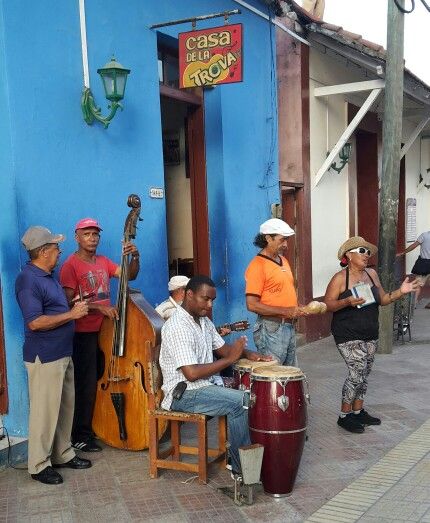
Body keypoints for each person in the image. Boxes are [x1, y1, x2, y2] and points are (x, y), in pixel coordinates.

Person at [159, 275, 272, 476]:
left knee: (250, 390)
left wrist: (249, 354)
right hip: (183, 394)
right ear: (189, 294)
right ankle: (241, 471)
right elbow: (191, 373)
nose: (210, 305)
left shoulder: (203, 321)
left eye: (212, 300)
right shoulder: (178, 326)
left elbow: (223, 349)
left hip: (204, 386)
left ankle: (240, 455)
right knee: (241, 402)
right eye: (205, 299)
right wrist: (230, 360)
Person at [15, 226, 91, 485]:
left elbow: (53, 309)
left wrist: (71, 306)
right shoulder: (28, 279)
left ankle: (62, 453)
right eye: (56, 247)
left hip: (62, 353)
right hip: (45, 356)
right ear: (43, 251)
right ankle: (38, 465)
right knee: (45, 412)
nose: (60, 251)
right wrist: (72, 315)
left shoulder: (48, 276)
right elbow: (34, 322)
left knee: (64, 408)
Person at [59, 218, 140, 452]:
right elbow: (67, 301)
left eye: (95, 234)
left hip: (105, 333)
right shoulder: (70, 265)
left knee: (97, 383)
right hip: (83, 334)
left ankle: (94, 427)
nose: (92, 238)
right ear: (77, 237)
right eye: (87, 234)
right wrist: (99, 307)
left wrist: (135, 256)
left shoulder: (103, 261)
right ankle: (80, 436)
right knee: (84, 385)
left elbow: (128, 277)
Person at [324, 236, 419, 434]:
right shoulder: (341, 278)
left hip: (369, 332)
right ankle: (344, 416)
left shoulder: (372, 273)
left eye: (368, 252)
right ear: (348, 255)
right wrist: (347, 301)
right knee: (356, 372)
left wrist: (401, 291)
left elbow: (383, 299)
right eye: (361, 251)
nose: (366, 255)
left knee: (364, 373)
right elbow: (328, 305)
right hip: (347, 333)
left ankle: (358, 411)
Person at [244, 218, 309, 365]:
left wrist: (296, 309)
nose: (286, 244)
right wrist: (286, 311)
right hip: (271, 328)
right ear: (268, 238)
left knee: (290, 376)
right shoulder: (257, 266)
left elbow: (283, 292)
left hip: (287, 326)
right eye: (282, 240)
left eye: (287, 240)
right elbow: (252, 305)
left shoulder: (283, 261)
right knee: (274, 378)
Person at [397, 230, 430, 306]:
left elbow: (414, 245)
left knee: (417, 285)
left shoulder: (424, 235)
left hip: (423, 264)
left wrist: (403, 252)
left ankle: (414, 303)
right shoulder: (424, 235)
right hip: (424, 264)